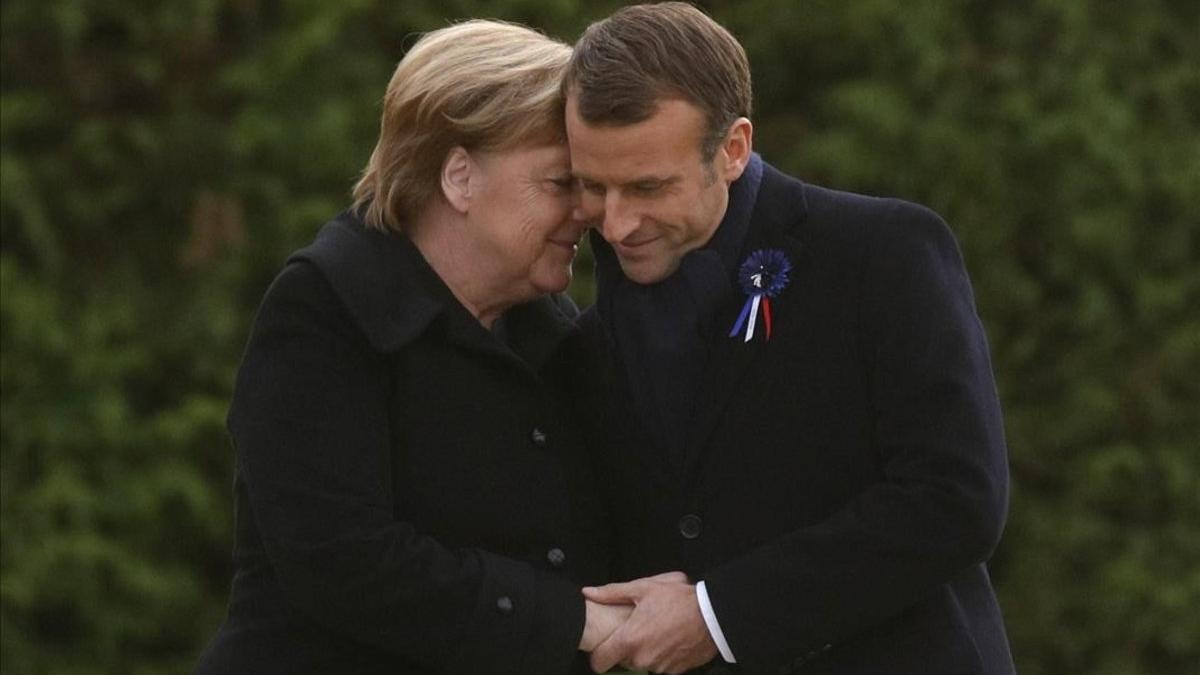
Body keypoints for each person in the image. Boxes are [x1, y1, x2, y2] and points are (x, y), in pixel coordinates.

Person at [564, 3, 1015, 674]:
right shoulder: (583, 334)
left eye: (648, 186)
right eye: (591, 185)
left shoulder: (882, 254)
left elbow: (955, 500)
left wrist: (719, 616)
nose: (617, 223)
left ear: (734, 149)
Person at [194, 20, 628, 675]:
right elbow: (340, 559)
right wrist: (572, 619)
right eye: (560, 183)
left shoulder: (550, 328)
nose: (587, 211)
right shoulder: (326, 309)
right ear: (459, 177)